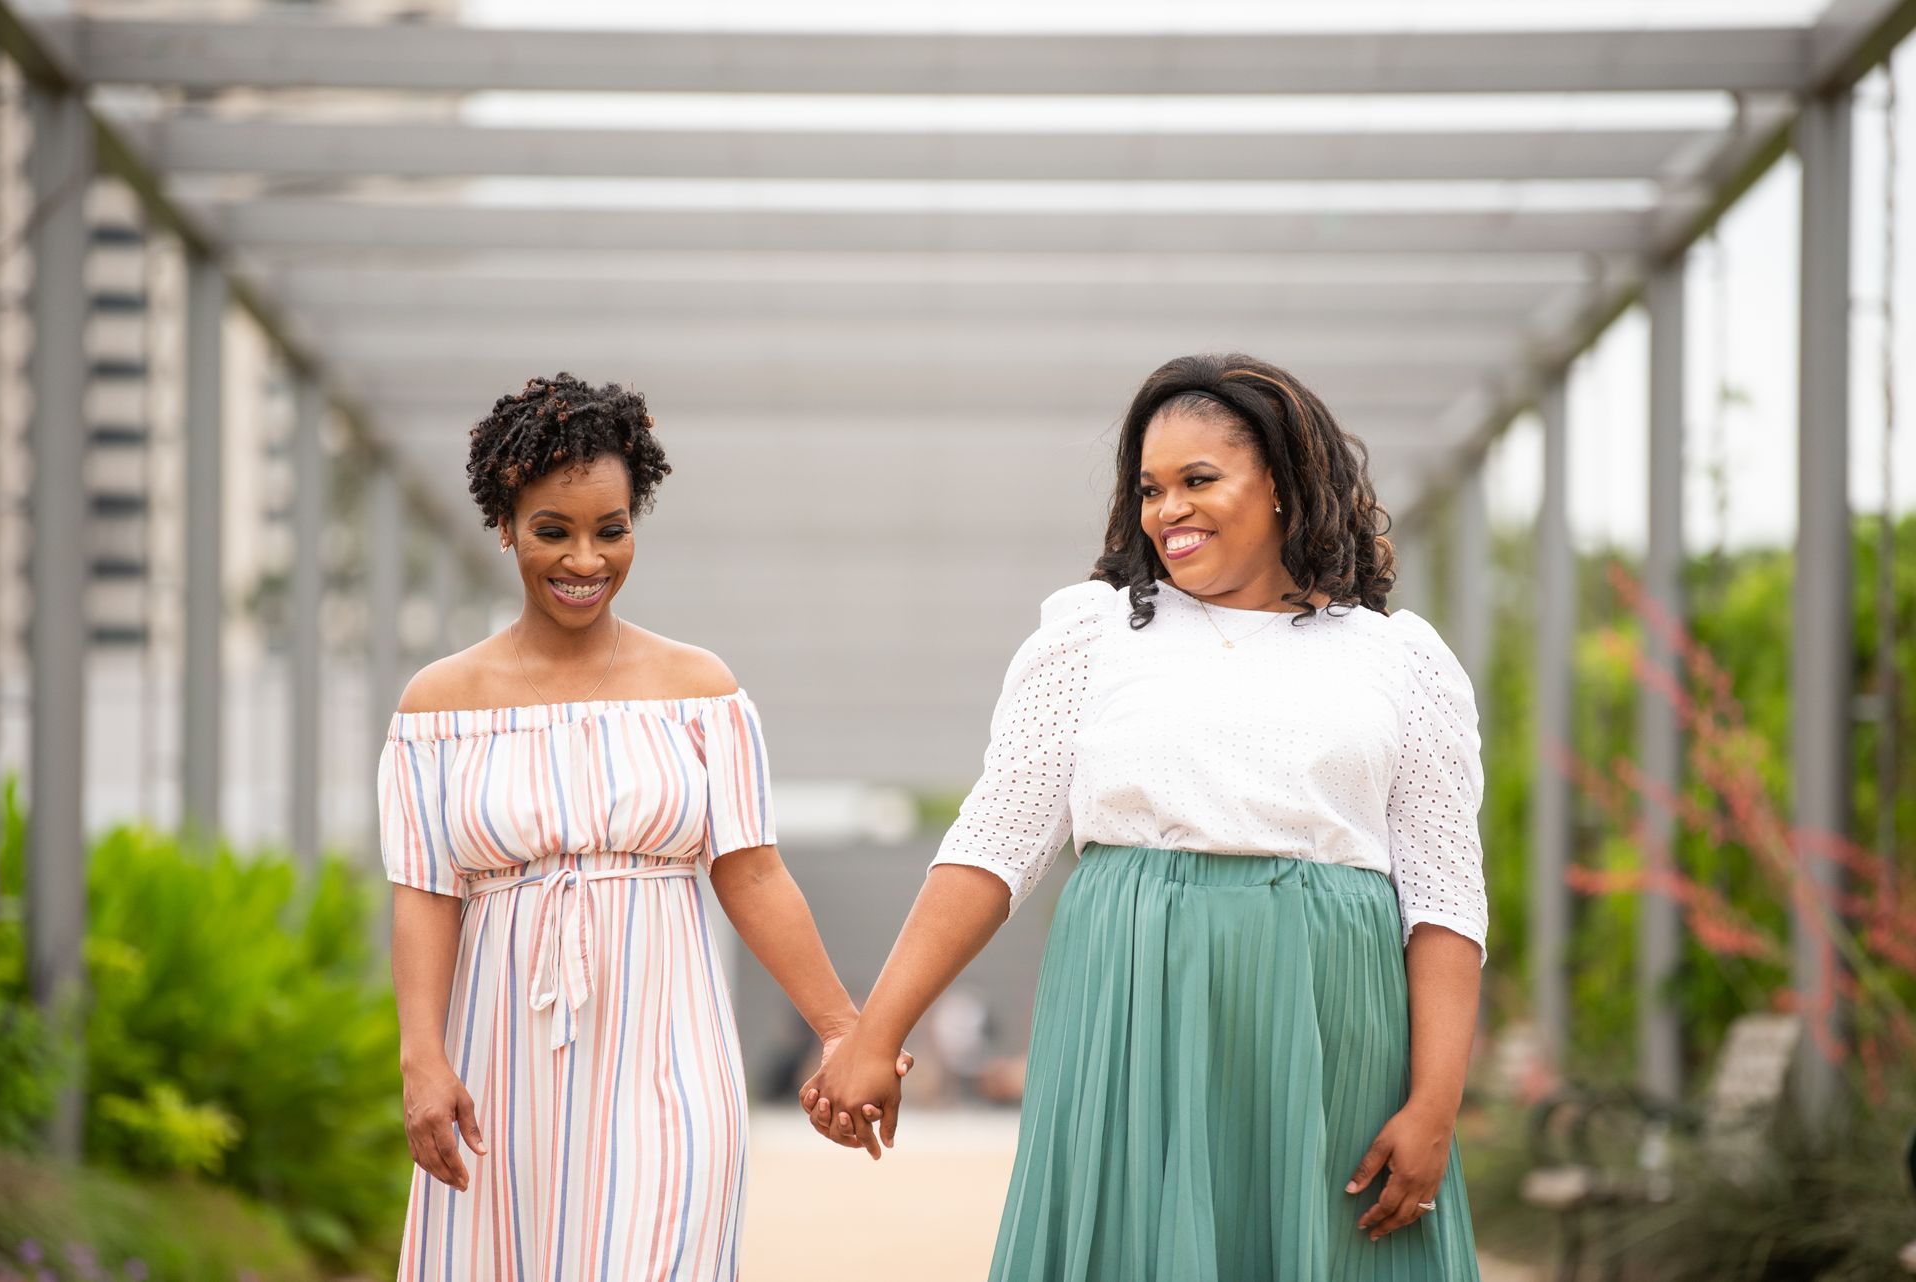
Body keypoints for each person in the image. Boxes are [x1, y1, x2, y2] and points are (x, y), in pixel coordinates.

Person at [803, 353, 1487, 1280]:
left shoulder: (1400, 661)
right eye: (1150, 489)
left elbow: (1445, 899)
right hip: (1129, 1014)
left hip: (1333, 1031)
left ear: (1286, 484)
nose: (1168, 510)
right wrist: (876, 1035)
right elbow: (993, 848)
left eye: (1199, 480)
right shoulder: (1090, 637)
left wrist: (1435, 1106)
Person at [379, 373, 903, 1281]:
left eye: (611, 530)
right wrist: (423, 1062)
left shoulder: (702, 692)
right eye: (554, 531)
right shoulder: (437, 707)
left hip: (672, 1061)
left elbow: (754, 872)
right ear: (504, 525)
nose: (586, 559)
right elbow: (425, 893)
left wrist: (840, 1030)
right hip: (500, 1070)